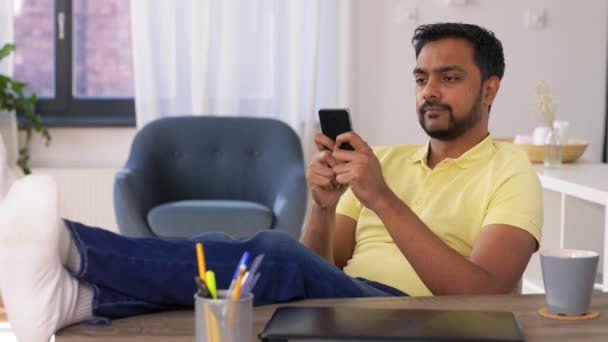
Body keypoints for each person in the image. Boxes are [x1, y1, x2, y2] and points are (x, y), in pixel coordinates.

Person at [0, 22, 542, 342]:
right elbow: (320, 269)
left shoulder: (510, 169)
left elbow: (486, 294)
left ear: (489, 89)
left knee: (271, 260)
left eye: (449, 78)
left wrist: (380, 197)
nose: (430, 91)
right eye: (422, 77)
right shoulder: (390, 158)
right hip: (349, 304)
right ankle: (77, 300)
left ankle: (73, 247)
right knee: (248, 285)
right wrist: (325, 206)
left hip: (424, 319)